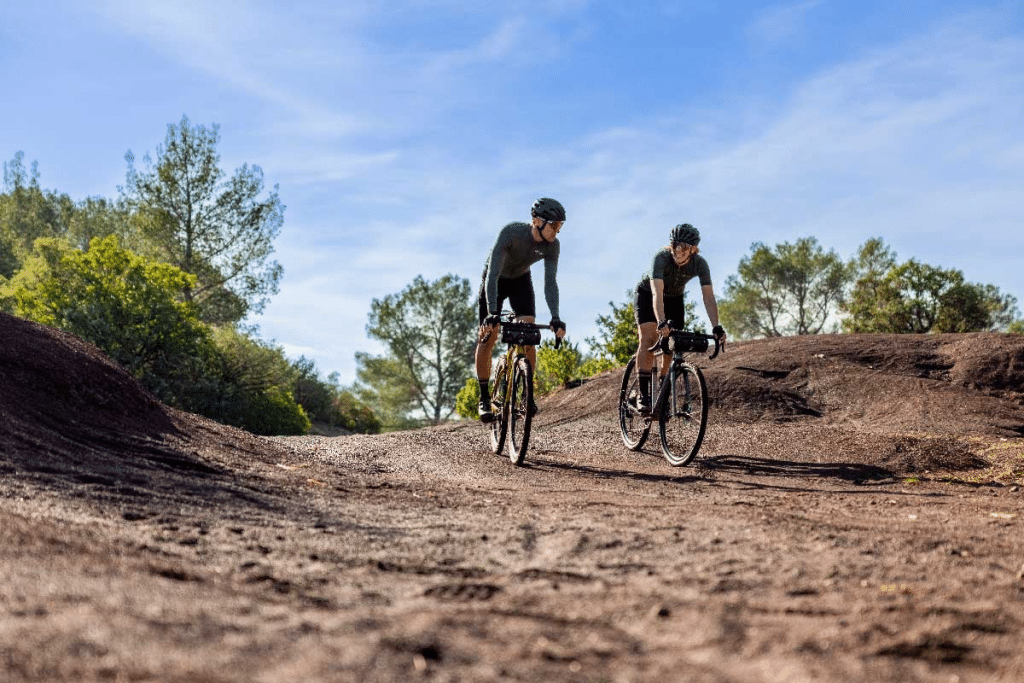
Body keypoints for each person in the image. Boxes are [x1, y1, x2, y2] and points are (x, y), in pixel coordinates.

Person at [475, 197, 568, 422]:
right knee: (488, 336)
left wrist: (555, 316)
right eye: (554, 225)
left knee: (528, 335)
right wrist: (493, 312)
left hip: (520, 281)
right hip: (496, 280)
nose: (557, 230)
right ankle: (484, 397)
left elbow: (550, 283)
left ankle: (526, 392)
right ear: (537, 221)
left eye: (560, 226)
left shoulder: (553, 246)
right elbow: (492, 275)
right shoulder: (511, 232)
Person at [633, 223, 726, 414]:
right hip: (648, 294)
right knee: (649, 338)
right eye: (675, 245)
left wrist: (716, 326)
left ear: (693, 249)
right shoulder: (661, 258)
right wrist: (661, 321)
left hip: (674, 299)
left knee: (673, 344)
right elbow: (657, 293)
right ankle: (643, 395)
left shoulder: (700, 264)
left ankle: (662, 391)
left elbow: (708, 297)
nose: (678, 250)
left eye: (683, 246)